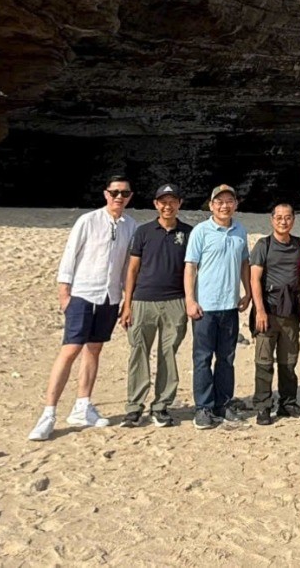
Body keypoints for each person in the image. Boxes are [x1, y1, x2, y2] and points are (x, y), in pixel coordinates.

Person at [28, 175, 137, 441]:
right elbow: (70, 255)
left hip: (109, 296)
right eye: (115, 192)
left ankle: (82, 405)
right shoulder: (88, 221)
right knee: (70, 349)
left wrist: (127, 301)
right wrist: (64, 293)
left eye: (124, 193)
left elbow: (127, 266)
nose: (119, 197)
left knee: (94, 349)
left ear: (130, 197)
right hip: (83, 293)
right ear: (106, 194)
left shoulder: (131, 226)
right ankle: (48, 413)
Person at [117, 183, 191, 429]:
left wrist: (190, 300)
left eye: (172, 201)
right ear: (156, 204)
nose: (167, 206)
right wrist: (127, 304)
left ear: (179, 204)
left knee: (168, 353)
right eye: (163, 202)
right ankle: (134, 407)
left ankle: (161, 406)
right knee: (138, 352)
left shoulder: (189, 233)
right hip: (143, 301)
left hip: (176, 301)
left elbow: (193, 269)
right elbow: (132, 269)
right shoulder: (143, 232)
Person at [184, 184, 251, 430]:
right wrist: (190, 300)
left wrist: (248, 292)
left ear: (236, 204)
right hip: (205, 307)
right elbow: (190, 267)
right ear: (211, 205)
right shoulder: (201, 231)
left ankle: (223, 404)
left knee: (226, 359)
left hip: (230, 306)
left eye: (229, 201)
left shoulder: (240, 231)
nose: (225, 206)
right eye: (219, 202)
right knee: (202, 358)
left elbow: (244, 263)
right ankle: (203, 408)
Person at [247, 203, 300, 426]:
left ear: (293, 219)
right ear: (272, 220)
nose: (283, 221)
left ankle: (288, 403)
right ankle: (263, 406)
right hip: (268, 311)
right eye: (279, 217)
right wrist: (260, 311)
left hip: (290, 311)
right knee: (263, 362)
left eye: (288, 217)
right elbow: (254, 279)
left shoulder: (299, 244)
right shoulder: (263, 245)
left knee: (289, 361)